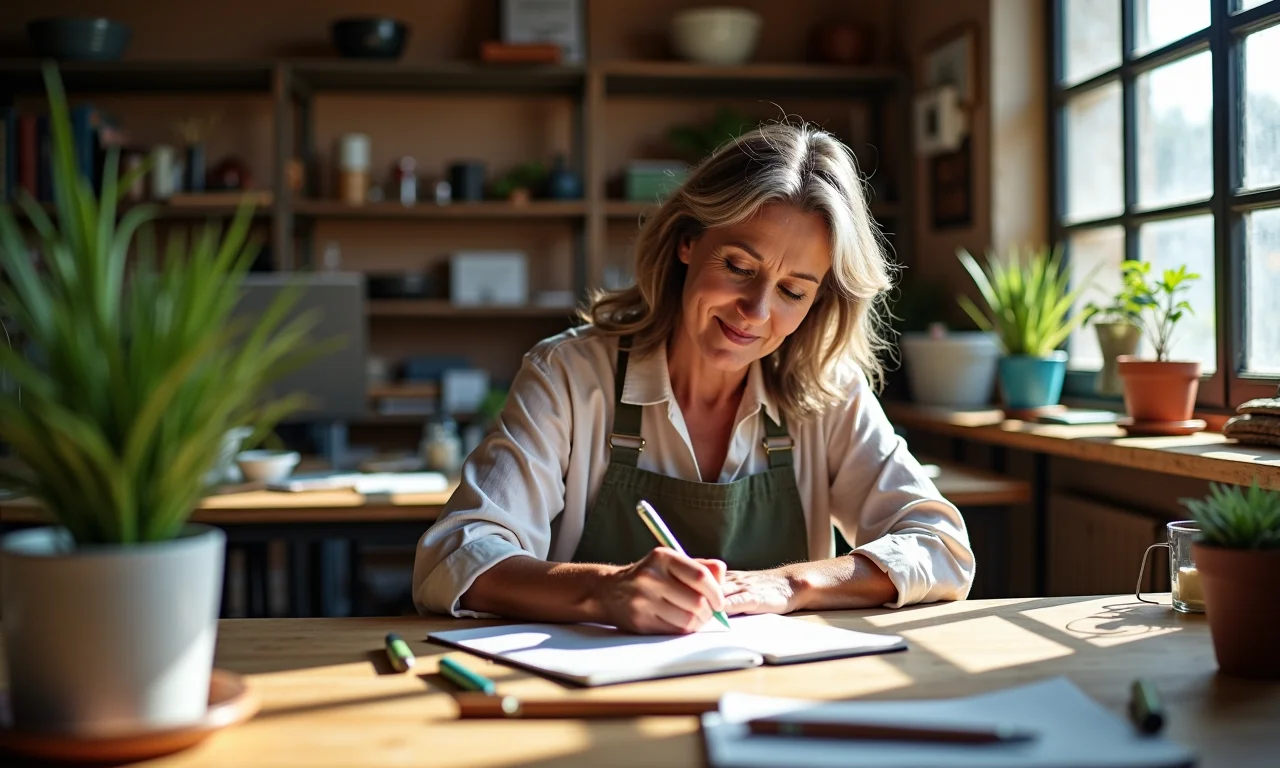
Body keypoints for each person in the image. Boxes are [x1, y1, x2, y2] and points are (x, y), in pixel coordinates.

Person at [412, 123, 974, 634]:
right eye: (739, 267)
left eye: (792, 290)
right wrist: (602, 591)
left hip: (774, 690)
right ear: (687, 241)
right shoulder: (570, 376)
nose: (756, 311)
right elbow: (456, 554)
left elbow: (941, 547)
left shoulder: (827, 390)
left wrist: (792, 584)